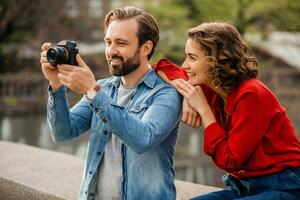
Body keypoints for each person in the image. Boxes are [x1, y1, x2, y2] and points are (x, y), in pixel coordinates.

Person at [40, 6, 182, 200]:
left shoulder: (166, 94)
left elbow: (143, 139)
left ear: (146, 47)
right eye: (108, 42)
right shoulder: (103, 88)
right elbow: (63, 132)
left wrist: (92, 91)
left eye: (121, 43)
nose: (111, 51)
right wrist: (55, 84)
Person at [154, 22, 300, 199]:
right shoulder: (212, 87)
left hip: (282, 185)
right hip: (243, 186)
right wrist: (185, 94)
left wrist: (204, 110)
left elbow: (230, 160)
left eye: (192, 58)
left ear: (217, 60)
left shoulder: (251, 94)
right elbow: (161, 66)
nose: (185, 65)